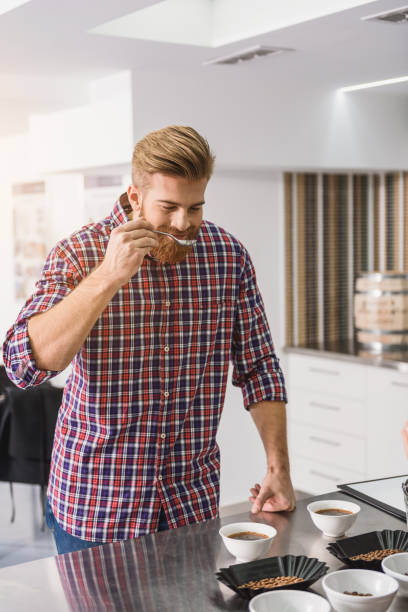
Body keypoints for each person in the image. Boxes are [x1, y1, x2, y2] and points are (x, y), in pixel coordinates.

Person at [3, 125, 295, 554]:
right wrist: (108, 275)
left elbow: (260, 368)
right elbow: (24, 366)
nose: (183, 224)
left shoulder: (228, 257)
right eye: (169, 207)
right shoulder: (79, 254)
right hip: (96, 505)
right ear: (135, 197)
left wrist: (279, 467)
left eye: (195, 207)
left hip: (189, 503)